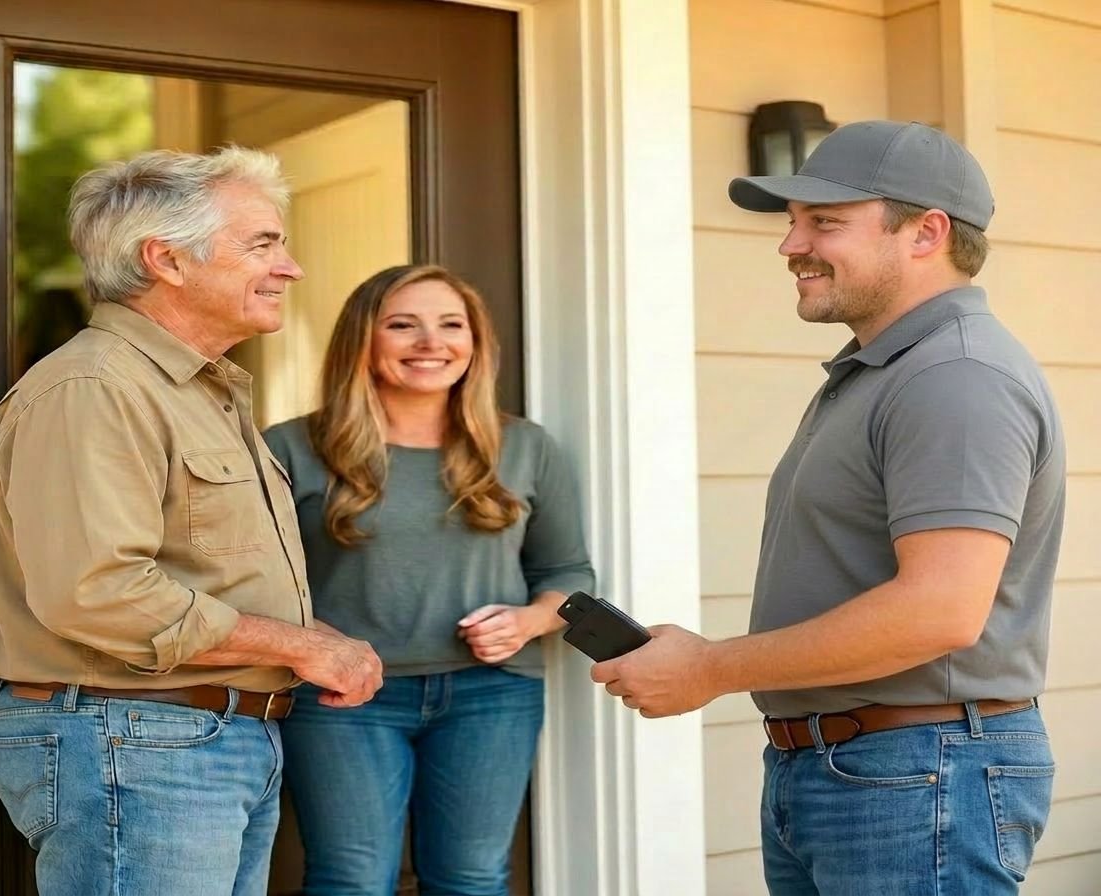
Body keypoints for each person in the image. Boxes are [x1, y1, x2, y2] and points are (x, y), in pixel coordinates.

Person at [591, 121, 1065, 894]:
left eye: (825, 222)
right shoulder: (886, 371)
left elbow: (939, 612)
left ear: (927, 233)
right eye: (792, 221)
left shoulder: (956, 376)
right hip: (861, 770)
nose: (792, 245)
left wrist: (710, 668)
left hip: (918, 774)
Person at [0, 146, 384, 896]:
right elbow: (98, 592)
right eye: (262, 243)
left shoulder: (200, 390)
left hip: (194, 741)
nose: (290, 267)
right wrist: (299, 644)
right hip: (136, 742)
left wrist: (315, 642)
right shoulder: (94, 388)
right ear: (165, 258)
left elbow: (203, 576)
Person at [263, 263, 595, 896]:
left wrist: (528, 621)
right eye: (402, 325)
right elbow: (256, 584)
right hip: (343, 697)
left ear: (475, 341)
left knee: (471, 879)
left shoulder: (524, 447)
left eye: (451, 325)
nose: (430, 343)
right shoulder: (291, 447)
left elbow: (567, 573)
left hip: (491, 693)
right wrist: (320, 644)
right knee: (352, 881)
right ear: (363, 338)